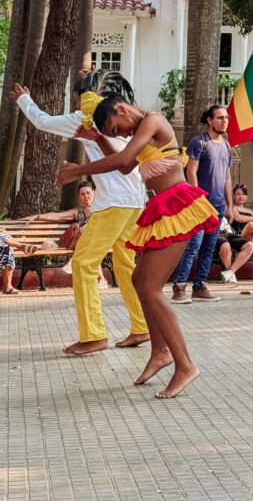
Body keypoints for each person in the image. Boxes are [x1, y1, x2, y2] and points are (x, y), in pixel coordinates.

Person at [57, 95, 219, 398]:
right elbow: (125, 166)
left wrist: (76, 170)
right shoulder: (141, 131)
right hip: (161, 208)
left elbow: (120, 160)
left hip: (179, 207)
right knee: (138, 280)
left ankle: (184, 365)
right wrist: (98, 138)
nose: (120, 135)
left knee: (151, 289)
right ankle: (160, 352)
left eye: (117, 129)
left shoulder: (153, 121)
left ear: (122, 109)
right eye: (116, 134)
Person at [13, 72, 149, 354]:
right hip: (137, 201)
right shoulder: (121, 109)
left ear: (78, 97)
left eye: (75, 98)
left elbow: (41, 121)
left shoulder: (85, 118)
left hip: (113, 202)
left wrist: (23, 99)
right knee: (125, 265)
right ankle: (141, 327)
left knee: (84, 264)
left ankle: (94, 335)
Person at [171, 105, 235, 304]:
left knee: (208, 247)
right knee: (194, 246)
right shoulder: (199, 142)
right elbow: (191, 172)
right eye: (219, 117)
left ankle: (200, 287)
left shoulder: (226, 146)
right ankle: (179, 288)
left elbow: (227, 178)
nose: (224, 121)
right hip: (200, 206)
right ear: (209, 120)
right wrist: (198, 200)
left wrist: (229, 205)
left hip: (218, 206)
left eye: (226, 118)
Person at [216, 216, 253, 284]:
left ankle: (230, 273)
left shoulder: (226, 208)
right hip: (216, 233)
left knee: (250, 245)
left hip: (229, 233)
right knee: (226, 245)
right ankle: (229, 275)